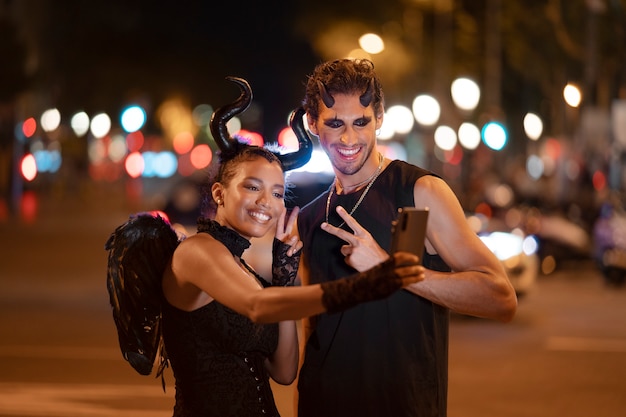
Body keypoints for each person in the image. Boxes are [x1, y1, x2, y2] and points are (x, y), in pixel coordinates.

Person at [159, 76, 425, 417]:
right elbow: (257, 305)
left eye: (276, 193)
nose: (265, 203)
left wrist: (285, 277)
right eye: (252, 187)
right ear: (219, 193)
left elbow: (284, 372)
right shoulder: (197, 252)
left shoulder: (245, 267)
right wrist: (362, 285)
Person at [294, 59, 518, 417]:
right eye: (335, 124)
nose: (348, 138)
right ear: (312, 123)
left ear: (379, 118)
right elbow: (312, 333)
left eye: (361, 123)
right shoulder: (310, 216)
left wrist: (390, 268)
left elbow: (501, 298)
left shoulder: (420, 191)